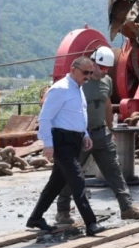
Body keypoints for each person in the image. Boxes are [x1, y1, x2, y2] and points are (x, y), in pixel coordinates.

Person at [55, 46, 139, 222]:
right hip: (80, 135)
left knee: (114, 170)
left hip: (100, 133)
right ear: (93, 63)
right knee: (71, 172)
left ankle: (127, 207)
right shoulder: (79, 82)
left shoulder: (107, 81)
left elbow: (106, 103)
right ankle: (63, 210)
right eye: (101, 67)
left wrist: (110, 128)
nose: (103, 71)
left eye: (106, 68)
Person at [26, 57, 100, 235]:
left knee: (56, 184)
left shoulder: (78, 89)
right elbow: (45, 118)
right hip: (61, 141)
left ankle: (35, 218)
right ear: (73, 69)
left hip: (74, 141)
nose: (88, 76)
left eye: (91, 73)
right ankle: (91, 223)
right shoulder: (60, 89)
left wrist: (85, 134)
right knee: (77, 180)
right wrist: (48, 144)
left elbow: (78, 116)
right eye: (85, 72)